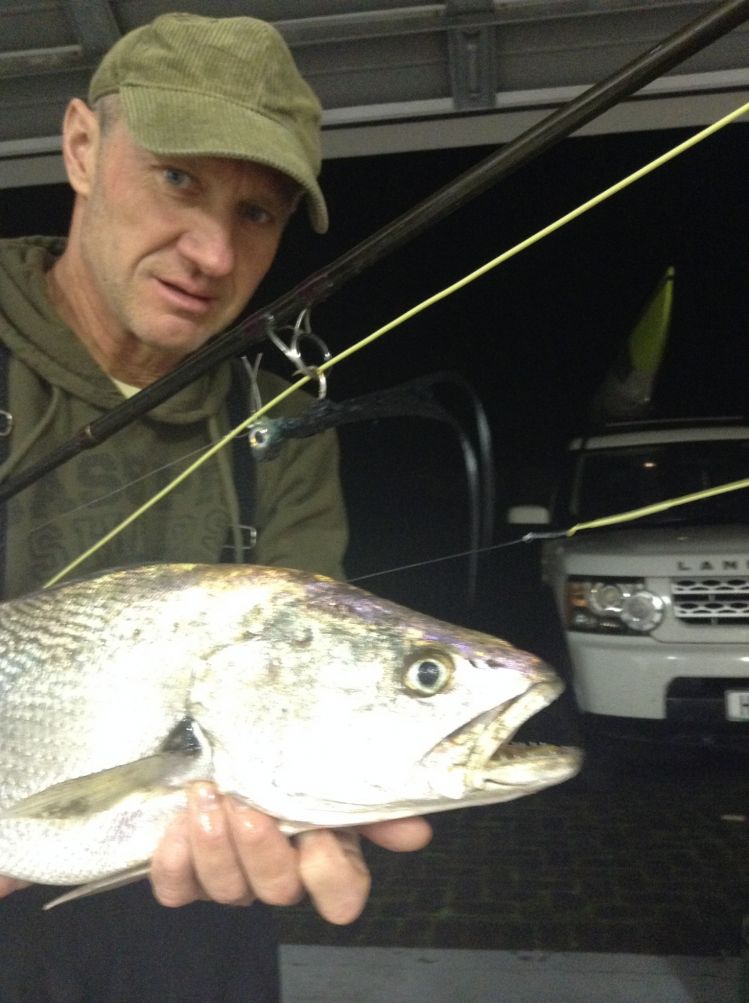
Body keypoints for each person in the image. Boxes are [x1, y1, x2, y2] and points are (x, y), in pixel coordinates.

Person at [0, 13, 431, 1002]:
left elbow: (309, 672)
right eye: (178, 179)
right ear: (79, 147)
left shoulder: (281, 422)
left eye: (257, 214)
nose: (208, 249)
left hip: (193, 903)